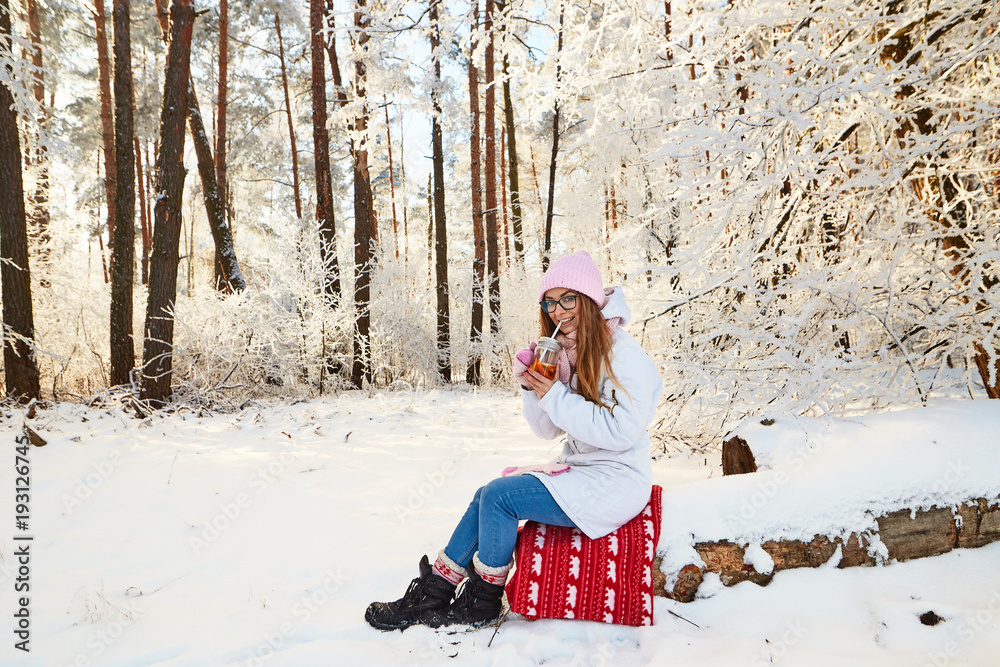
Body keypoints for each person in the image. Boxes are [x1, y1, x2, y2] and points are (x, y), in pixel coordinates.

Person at [365, 250, 663, 631]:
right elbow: (547, 430)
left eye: (568, 299)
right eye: (550, 302)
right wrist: (532, 388)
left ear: (589, 300)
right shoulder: (571, 349)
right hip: (585, 470)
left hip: (616, 481)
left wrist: (555, 394)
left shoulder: (623, 356)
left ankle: (483, 601)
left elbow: (621, 431)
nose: (557, 311)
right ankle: (434, 591)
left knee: (500, 498)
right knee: (486, 494)